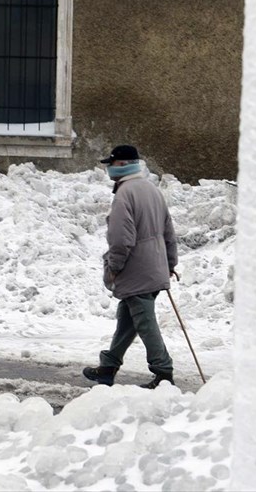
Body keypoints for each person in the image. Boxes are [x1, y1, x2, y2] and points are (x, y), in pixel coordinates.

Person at [83, 144, 178, 389]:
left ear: (123, 165)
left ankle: (163, 373)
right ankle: (108, 367)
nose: (108, 169)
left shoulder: (125, 194)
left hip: (137, 269)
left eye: (111, 164)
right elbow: (168, 230)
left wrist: (114, 266)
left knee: (145, 322)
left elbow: (120, 238)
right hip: (153, 266)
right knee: (128, 318)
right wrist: (170, 262)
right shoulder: (151, 189)